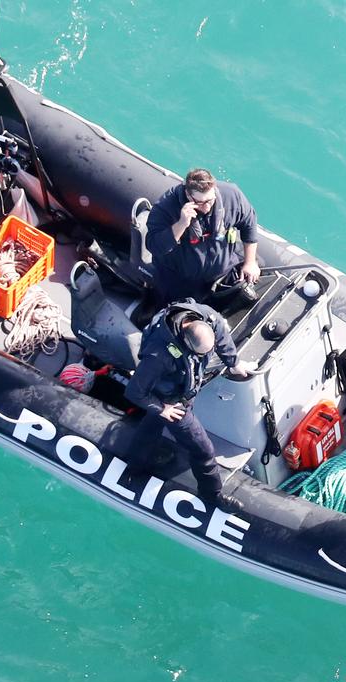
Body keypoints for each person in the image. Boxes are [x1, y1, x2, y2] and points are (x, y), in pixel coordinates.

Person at [123, 300, 254, 510]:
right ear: (185, 338)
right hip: (171, 402)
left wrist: (234, 363)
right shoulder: (159, 355)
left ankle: (134, 466)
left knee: (151, 427)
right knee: (203, 449)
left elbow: (220, 334)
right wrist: (162, 408)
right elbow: (134, 391)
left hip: (183, 388)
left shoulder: (206, 317)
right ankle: (212, 494)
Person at [145, 168, 260, 304]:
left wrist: (250, 262)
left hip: (222, 270)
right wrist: (181, 224)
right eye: (200, 203)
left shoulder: (232, 195)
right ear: (188, 195)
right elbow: (154, 246)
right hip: (180, 279)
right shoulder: (164, 208)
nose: (206, 207)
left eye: (210, 201)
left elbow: (249, 222)